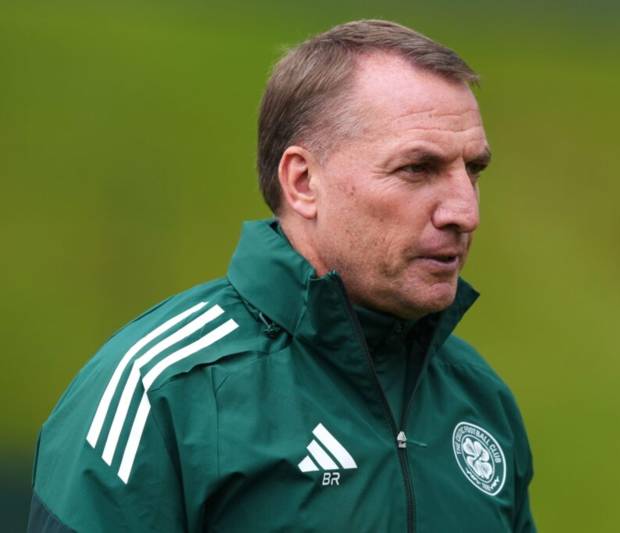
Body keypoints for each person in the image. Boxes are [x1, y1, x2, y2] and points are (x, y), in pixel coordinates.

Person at [28, 19, 535, 532]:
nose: (464, 212)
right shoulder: (162, 392)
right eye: (417, 169)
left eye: (472, 170)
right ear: (303, 182)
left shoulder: (479, 399)